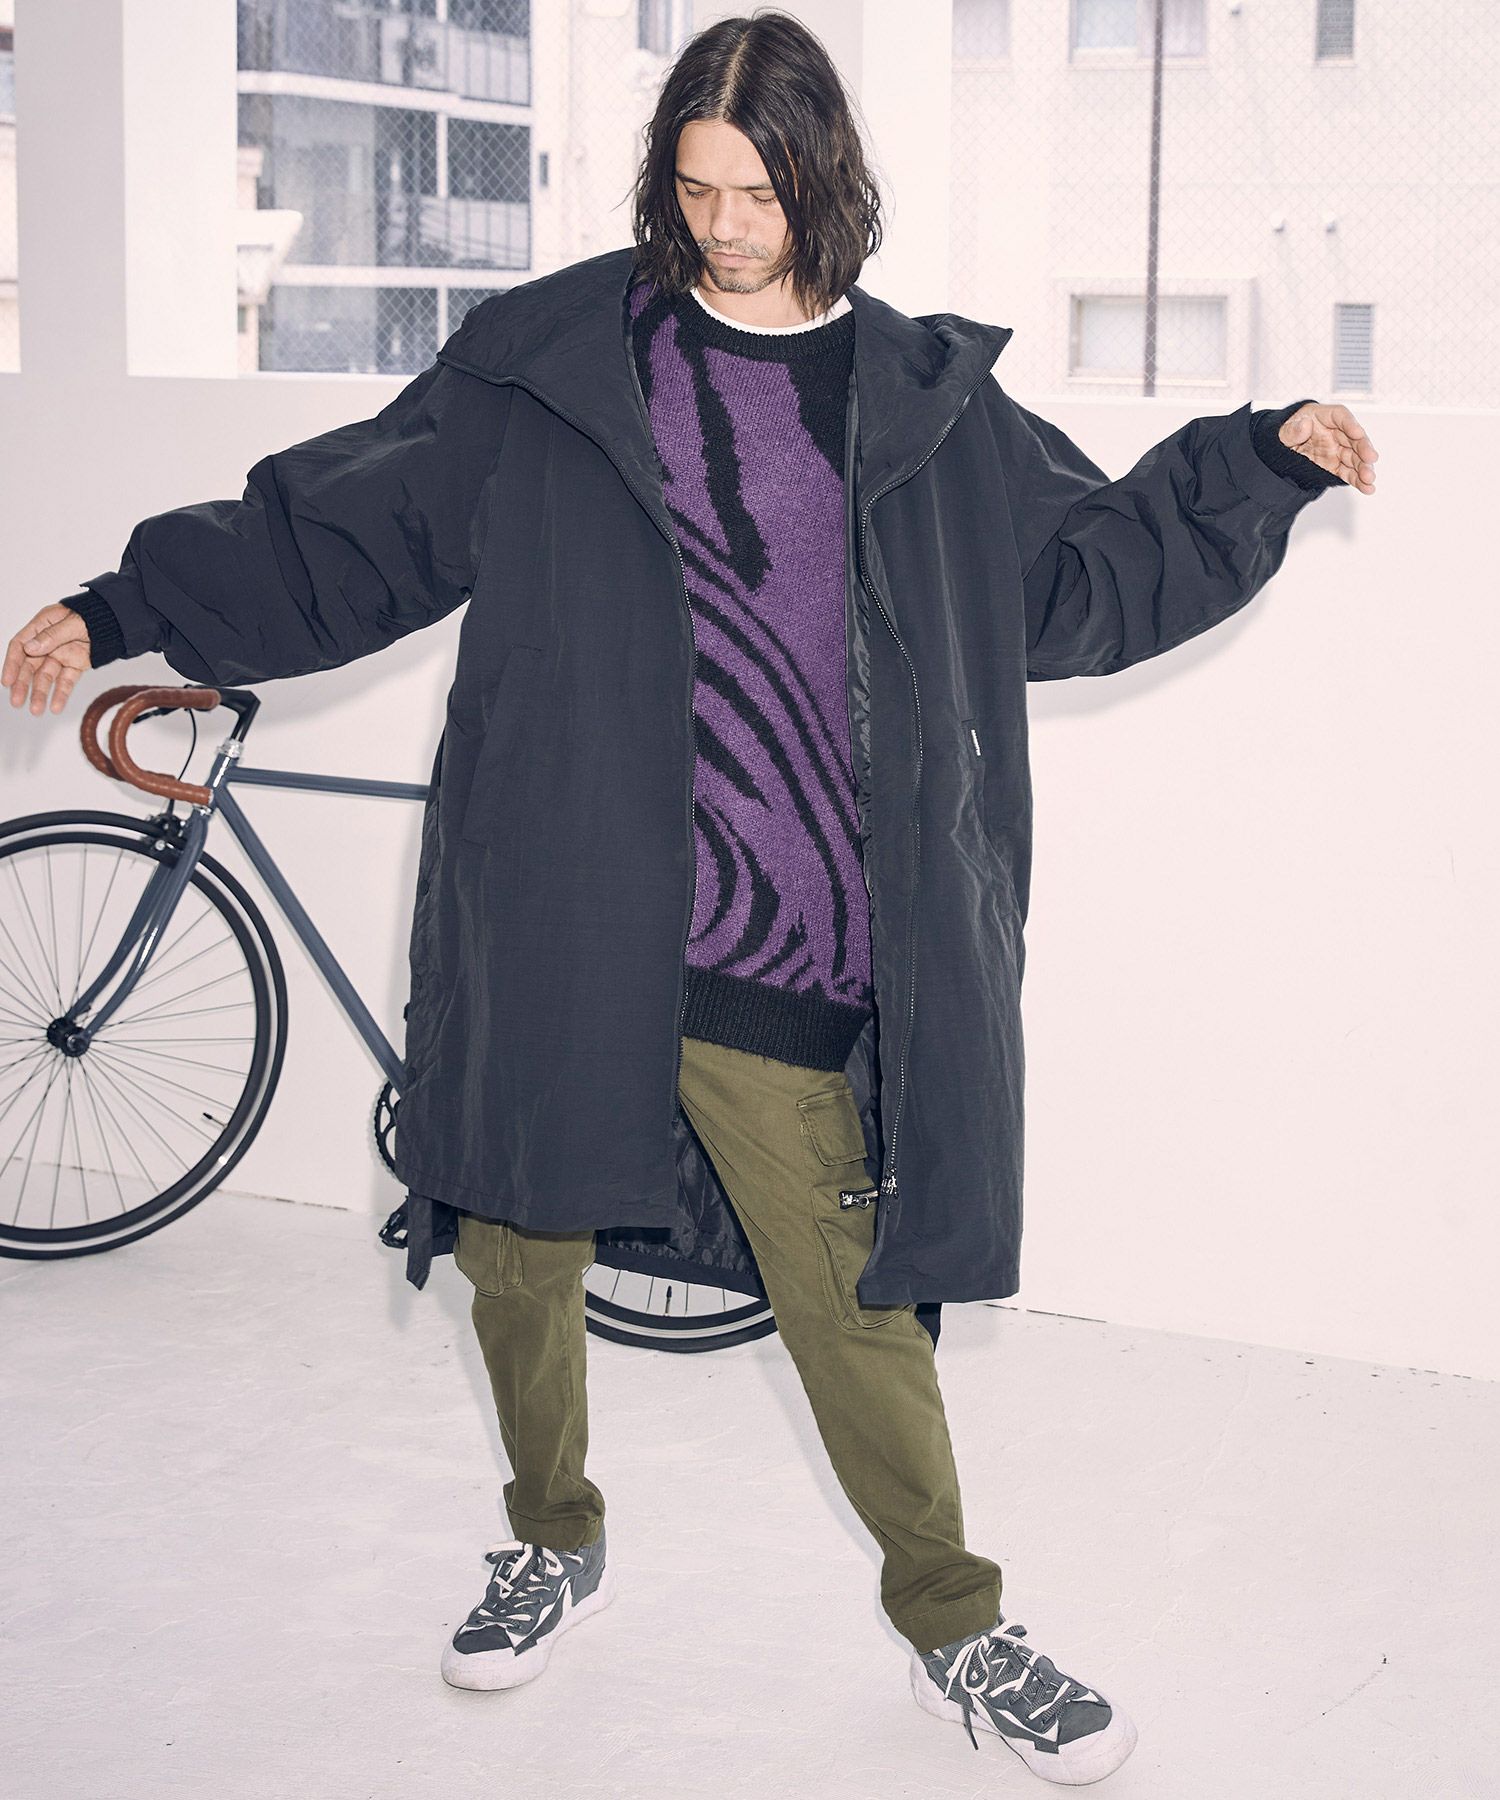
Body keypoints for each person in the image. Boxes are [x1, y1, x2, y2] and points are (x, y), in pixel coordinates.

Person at [4, 9, 1376, 1786]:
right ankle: (551, 1538)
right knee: (516, 1254)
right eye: (698, 185)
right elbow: (352, 525)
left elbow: (1079, 573)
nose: (725, 225)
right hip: (563, 902)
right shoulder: (562, 361)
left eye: (760, 192)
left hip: (780, 940)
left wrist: (1260, 461)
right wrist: (123, 607)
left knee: (853, 1305)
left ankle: (957, 1626)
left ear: (827, 181)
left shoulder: (921, 403)